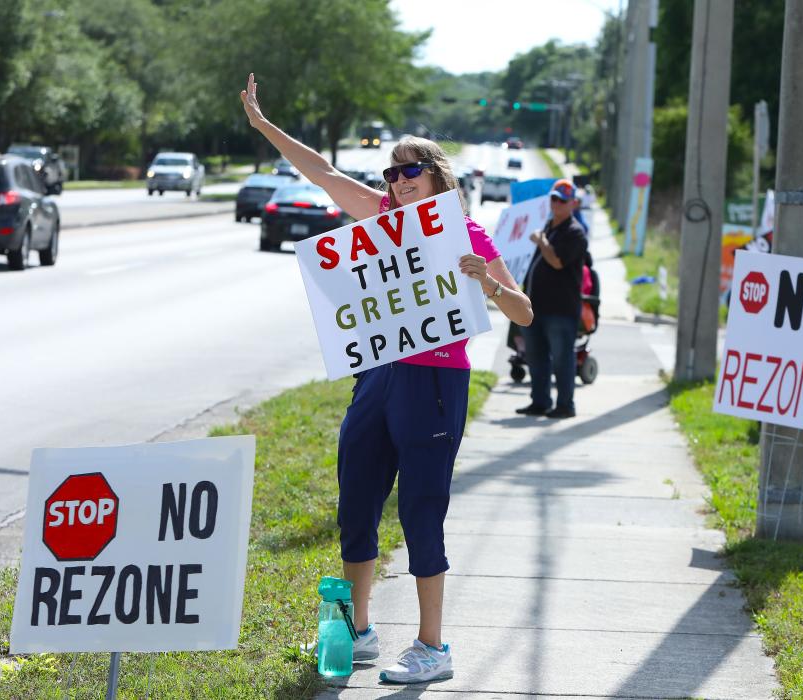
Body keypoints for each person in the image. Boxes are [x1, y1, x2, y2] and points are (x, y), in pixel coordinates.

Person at [240, 74, 533, 684]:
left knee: (422, 512)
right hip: (376, 377)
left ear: (436, 177)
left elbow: (524, 312)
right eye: (391, 174)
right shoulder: (379, 219)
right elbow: (321, 173)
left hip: (434, 383)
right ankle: (361, 631)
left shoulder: (468, 234)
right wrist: (264, 127)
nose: (397, 182)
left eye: (410, 171)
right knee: (358, 503)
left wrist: (487, 281)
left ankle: (432, 646)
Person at [516, 179, 588, 419]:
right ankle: (540, 401)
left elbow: (557, 261)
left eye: (562, 201)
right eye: (554, 199)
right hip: (536, 307)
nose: (556, 204)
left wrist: (542, 242)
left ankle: (565, 405)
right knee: (536, 358)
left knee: (562, 360)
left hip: (561, 309)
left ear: (573, 204)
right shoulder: (547, 227)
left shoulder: (575, 233)